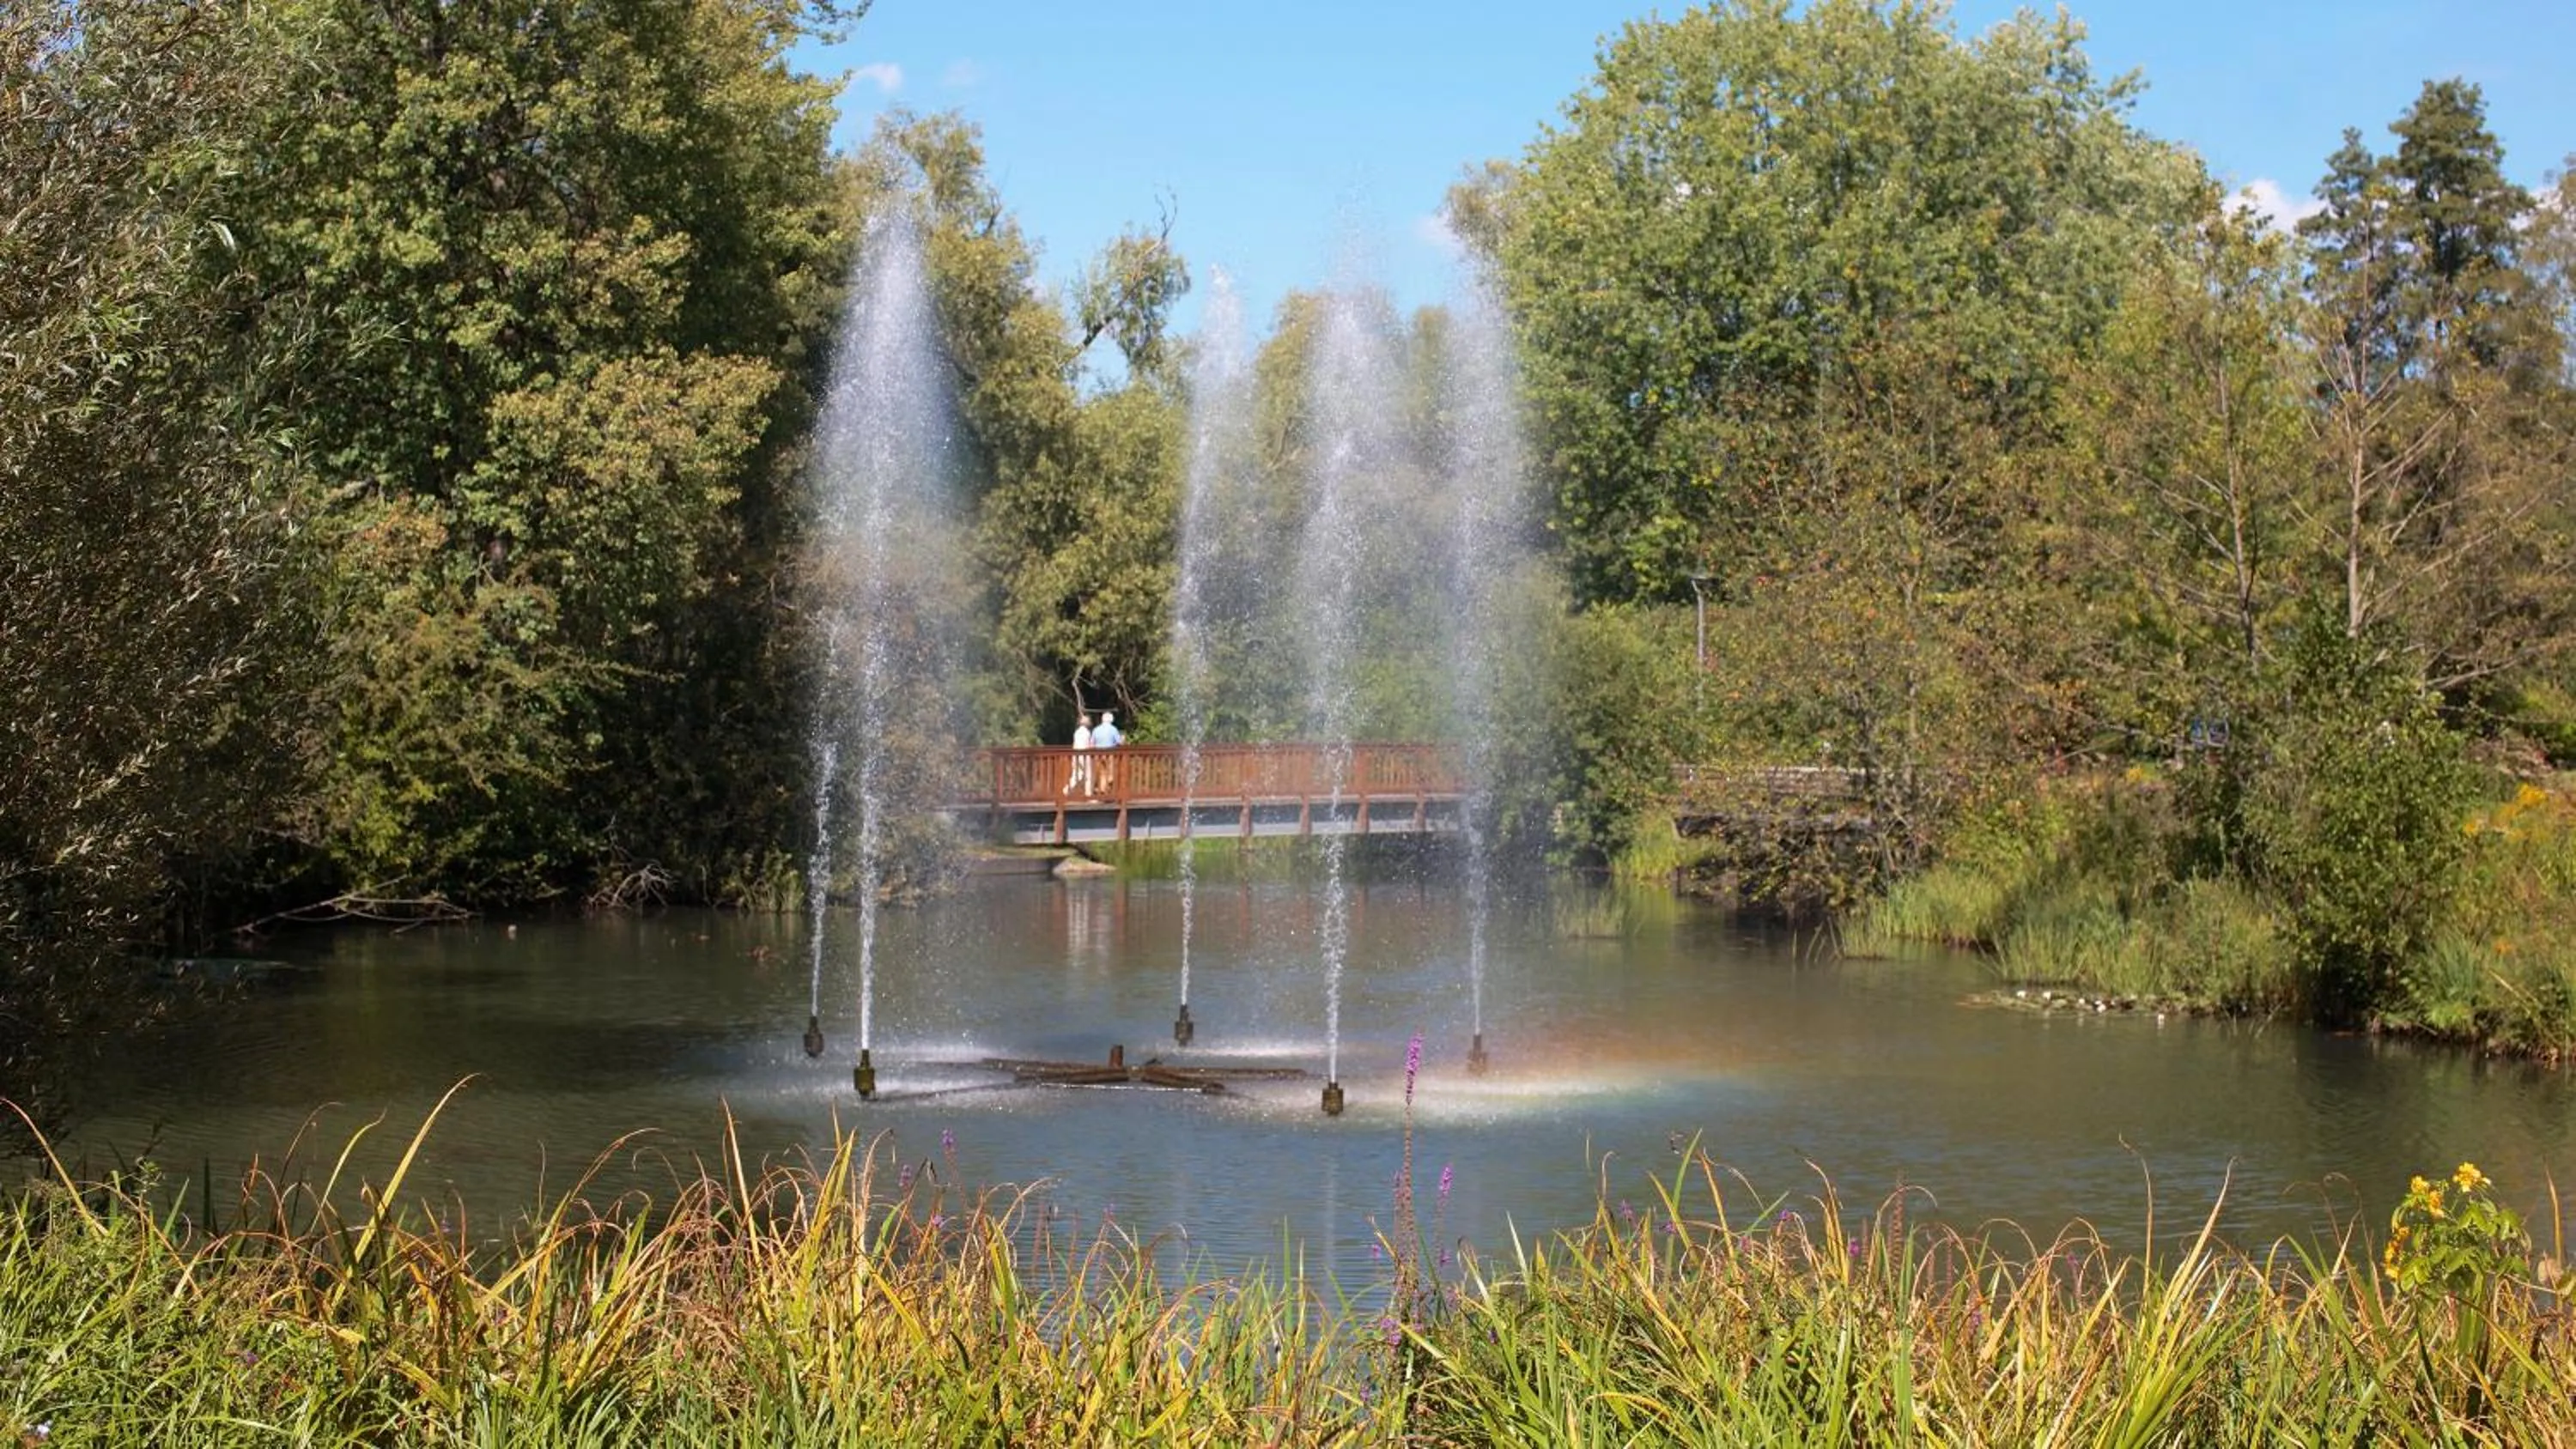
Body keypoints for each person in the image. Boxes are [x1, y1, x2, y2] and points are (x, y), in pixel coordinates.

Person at [1091, 710, 1122, 794]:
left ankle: (1102, 789)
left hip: (1098, 754)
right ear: (1111, 720)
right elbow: (1119, 742)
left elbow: (1092, 743)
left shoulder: (1096, 729)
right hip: (1109, 754)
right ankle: (1106, 786)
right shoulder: (1113, 729)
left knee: (1101, 772)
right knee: (1110, 772)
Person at [1064, 712, 1094, 797]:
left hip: (1076, 754)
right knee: (1088, 774)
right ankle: (1088, 794)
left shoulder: (1077, 732)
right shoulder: (1087, 733)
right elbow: (1089, 744)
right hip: (1084, 755)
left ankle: (1066, 790)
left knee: (1077, 774)